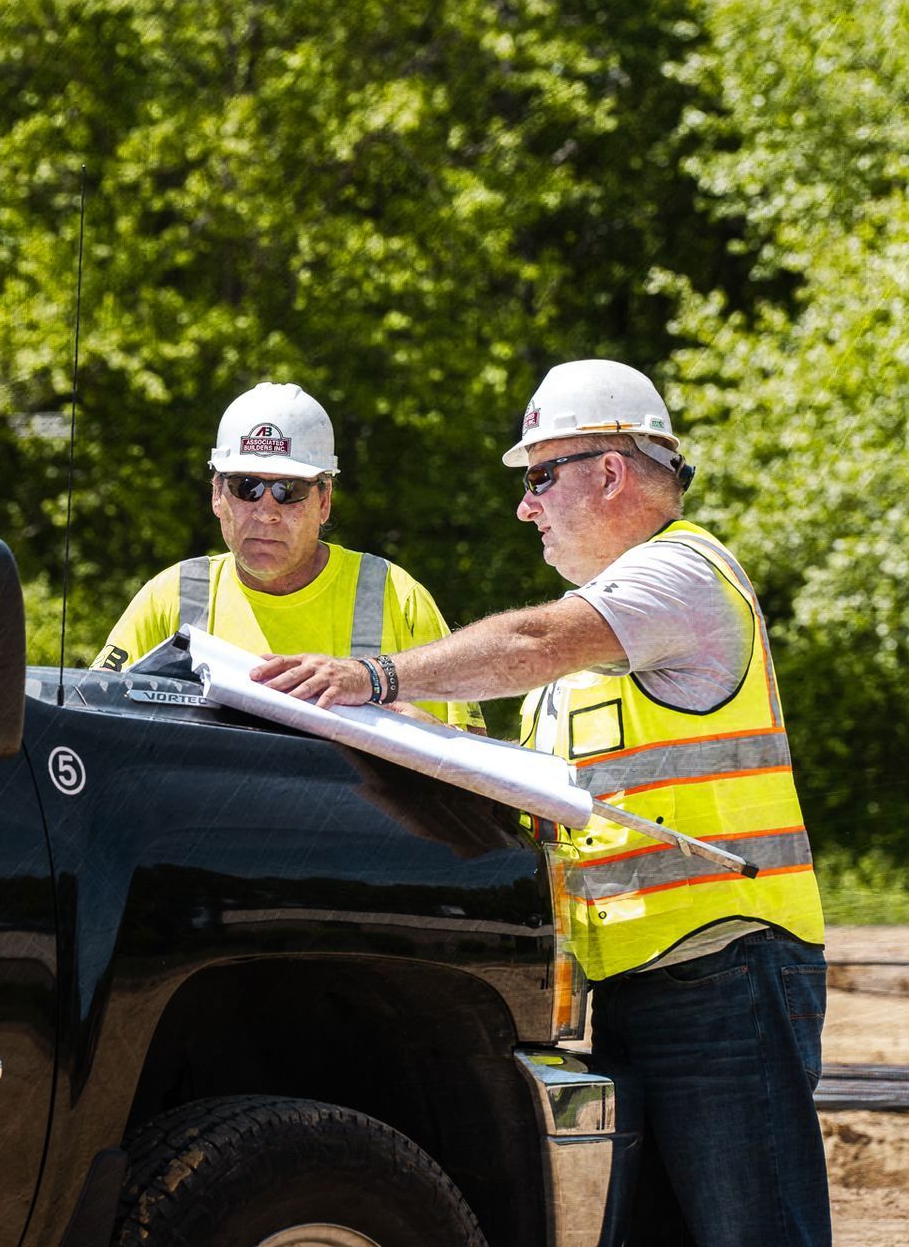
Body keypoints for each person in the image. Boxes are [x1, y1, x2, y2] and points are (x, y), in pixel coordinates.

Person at [252, 359, 830, 1247]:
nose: (526, 506)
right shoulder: (603, 647)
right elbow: (542, 802)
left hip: (726, 968)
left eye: (539, 477)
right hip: (647, 978)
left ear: (609, 471)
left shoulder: (681, 575)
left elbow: (532, 639)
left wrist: (372, 677)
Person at [93, 381, 483, 732]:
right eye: (246, 487)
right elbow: (93, 715)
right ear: (216, 495)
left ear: (325, 501)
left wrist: (432, 736)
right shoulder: (172, 595)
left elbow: (473, 761)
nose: (266, 511)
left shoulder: (395, 597)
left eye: (288, 490)